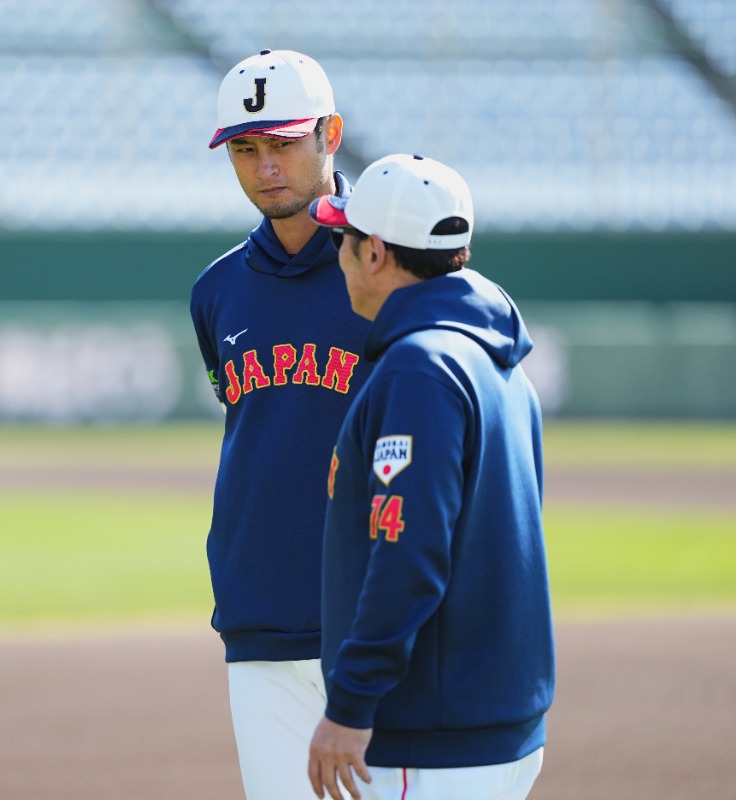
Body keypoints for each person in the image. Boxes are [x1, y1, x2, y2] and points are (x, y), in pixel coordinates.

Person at [305, 154, 555, 800]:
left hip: (430, 736)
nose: (338, 256)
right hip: (496, 725)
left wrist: (351, 704)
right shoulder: (498, 362)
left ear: (376, 254)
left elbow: (409, 554)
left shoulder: (419, 368)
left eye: (342, 239)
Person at [189, 49, 373, 800]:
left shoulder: (393, 265)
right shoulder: (216, 290)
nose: (265, 167)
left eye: (285, 143)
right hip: (259, 619)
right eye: (245, 149)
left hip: (376, 619)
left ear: (331, 133)